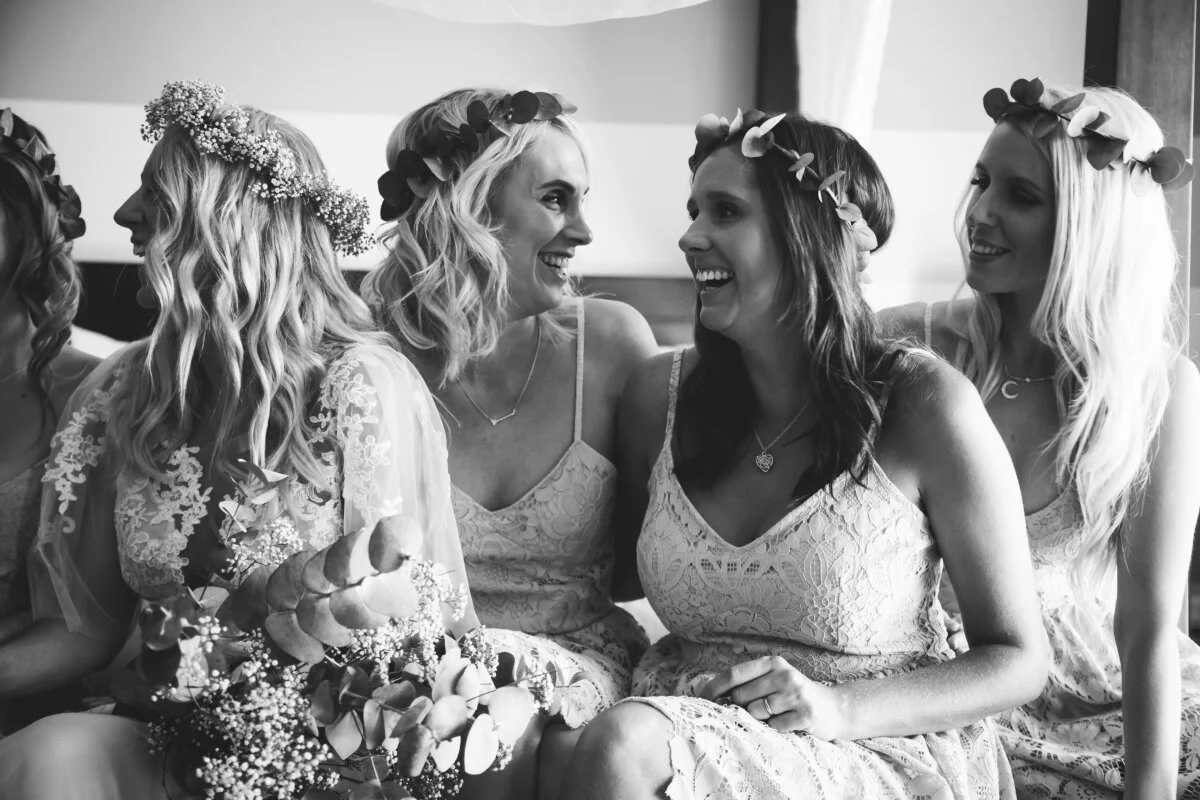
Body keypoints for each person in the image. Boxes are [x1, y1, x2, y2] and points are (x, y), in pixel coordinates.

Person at [0, 80, 474, 797]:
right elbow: (84, 631)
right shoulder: (120, 395)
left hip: (323, 751)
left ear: (225, 225)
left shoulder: (359, 386)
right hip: (164, 727)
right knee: (52, 754)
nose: (125, 213)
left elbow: (403, 633)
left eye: (153, 193)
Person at [564, 109, 1049, 800]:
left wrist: (838, 709)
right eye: (695, 208)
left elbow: (1019, 661)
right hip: (679, 722)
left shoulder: (924, 404)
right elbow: (595, 579)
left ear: (808, 237)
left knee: (623, 744)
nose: (689, 234)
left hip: (869, 744)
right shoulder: (657, 397)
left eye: (725, 211)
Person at [880, 78, 1200, 799]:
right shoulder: (902, 347)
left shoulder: (1158, 390)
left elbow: (1148, 627)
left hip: (1099, 690)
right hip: (940, 686)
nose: (980, 213)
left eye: (1021, 196)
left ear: (1093, 224)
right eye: (981, 182)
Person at [362, 87, 659, 798]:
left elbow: (647, 563)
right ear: (469, 207)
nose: (585, 231)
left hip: (574, 661)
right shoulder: (365, 363)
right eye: (557, 199)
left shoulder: (612, 348)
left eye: (582, 200)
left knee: (485, 726)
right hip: (410, 667)